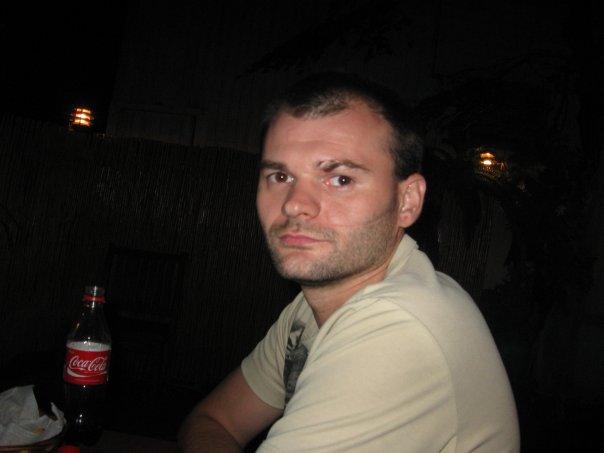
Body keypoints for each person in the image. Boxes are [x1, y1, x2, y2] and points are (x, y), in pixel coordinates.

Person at [179, 72, 520, 452]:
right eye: (280, 175)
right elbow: (214, 420)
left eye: (340, 179)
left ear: (407, 201)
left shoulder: (398, 329)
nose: (294, 204)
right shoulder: (312, 308)